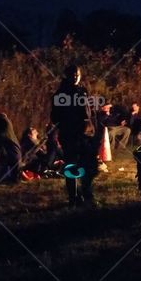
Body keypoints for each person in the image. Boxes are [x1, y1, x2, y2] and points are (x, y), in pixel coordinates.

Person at [51, 65, 97, 207]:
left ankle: (84, 193)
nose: (75, 77)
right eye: (73, 74)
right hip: (70, 134)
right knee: (72, 165)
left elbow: (88, 111)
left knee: (88, 165)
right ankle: (74, 196)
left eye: (77, 74)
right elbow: (55, 116)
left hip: (83, 134)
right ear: (67, 75)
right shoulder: (61, 93)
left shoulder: (82, 91)